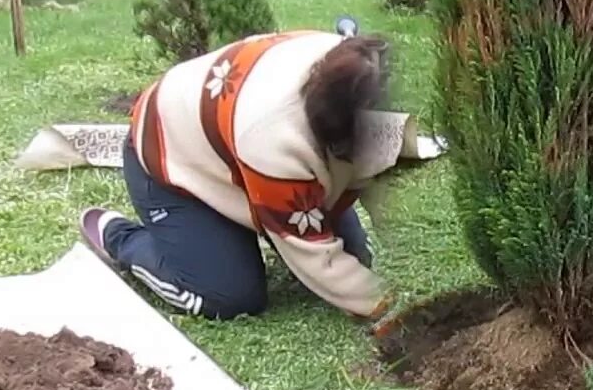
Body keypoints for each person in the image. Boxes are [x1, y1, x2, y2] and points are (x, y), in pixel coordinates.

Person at [78, 23, 397, 328]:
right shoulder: (275, 141)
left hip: (230, 146)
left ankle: (247, 219)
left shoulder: (356, 67)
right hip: (170, 157)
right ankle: (120, 238)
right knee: (231, 296)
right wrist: (390, 303)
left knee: (356, 259)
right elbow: (310, 250)